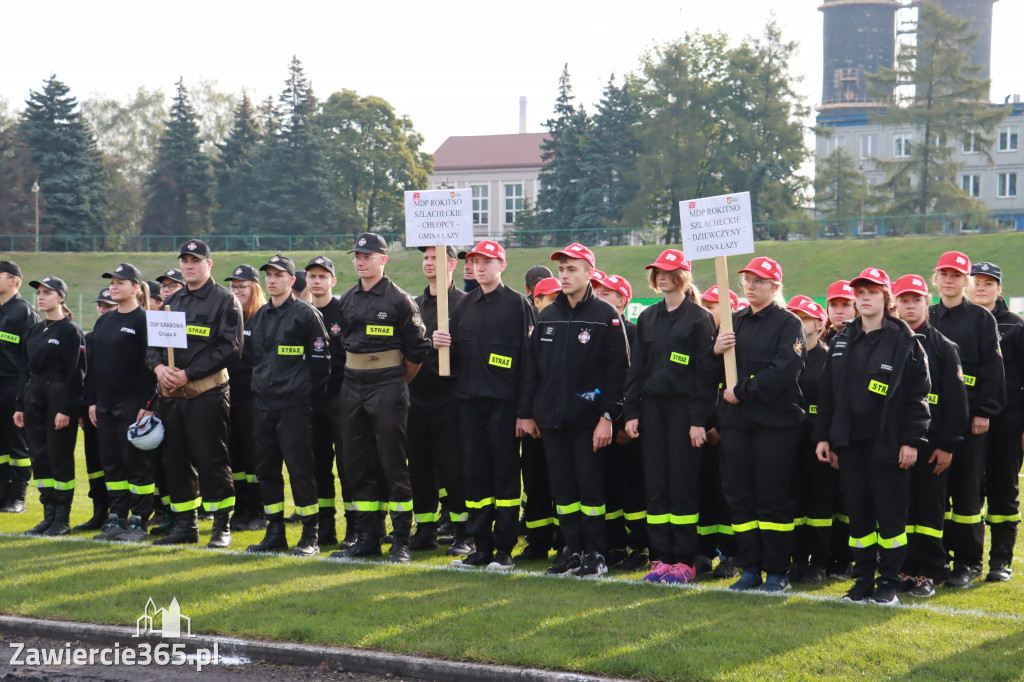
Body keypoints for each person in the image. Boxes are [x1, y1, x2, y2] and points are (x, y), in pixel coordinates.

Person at [814, 267, 931, 605]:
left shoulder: (906, 341)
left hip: (889, 446)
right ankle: (862, 580)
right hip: (850, 445)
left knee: (891, 516)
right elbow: (827, 395)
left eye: (872, 292)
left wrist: (911, 441)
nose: (864, 298)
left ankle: (889, 583)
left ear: (885, 298)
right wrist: (824, 436)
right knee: (859, 515)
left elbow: (917, 397)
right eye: (860, 292)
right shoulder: (841, 340)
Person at [523, 243, 629, 578]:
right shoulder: (548, 315)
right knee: (564, 492)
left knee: (591, 490)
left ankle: (596, 554)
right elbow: (532, 369)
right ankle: (571, 551)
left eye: (572, 269)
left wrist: (607, 417)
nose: (564, 276)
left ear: (589, 273)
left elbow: (619, 372)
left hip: (589, 422)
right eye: (562, 270)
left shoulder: (605, 316)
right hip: (552, 421)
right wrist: (527, 412)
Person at [432, 240, 535, 571]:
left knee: (504, 476)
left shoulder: (519, 305)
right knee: (474, 475)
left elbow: (530, 365)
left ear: (501, 265)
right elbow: (457, 360)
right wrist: (440, 345)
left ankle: (504, 548)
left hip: (505, 406)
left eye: (486, 261)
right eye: (474, 261)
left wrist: (525, 411)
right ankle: (480, 546)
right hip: (469, 405)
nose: (479, 267)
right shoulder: (463, 306)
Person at [704, 256, 804, 593]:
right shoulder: (734, 322)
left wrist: (743, 392)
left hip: (774, 425)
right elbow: (710, 372)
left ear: (775, 286)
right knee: (740, 496)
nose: (750, 285)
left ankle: (777, 571)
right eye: (747, 279)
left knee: (772, 497)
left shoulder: (789, 323)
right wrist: (714, 350)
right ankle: (750, 568)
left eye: (759, 280)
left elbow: (784, 370)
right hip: (736, 426)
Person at [331, 232, 430, 564]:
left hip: (388, 384)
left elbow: (417, 349)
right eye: (357, 257)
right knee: (357, 464)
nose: (360, 261)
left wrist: (396, 383)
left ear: (383, 259)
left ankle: (400, 540)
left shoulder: (400, 300)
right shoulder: (347, 299)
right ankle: (367, 538)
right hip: (353, 384)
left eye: (367, 256)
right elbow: (339, 344)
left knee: (392, 463)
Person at [624, 249, 715, 584]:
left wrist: (697, 420)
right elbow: (637, 369)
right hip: (652, 409)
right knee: (657, 483)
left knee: (682, 484)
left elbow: (705, 376)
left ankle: (685, 561)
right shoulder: (647, 317)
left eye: (667, 271)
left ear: (683, 275)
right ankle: (661, 558)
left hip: (684, 411)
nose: (660, 276)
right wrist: (631, 411)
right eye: (656, 271)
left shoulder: (698, 318)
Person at [145, 239, 242, 548]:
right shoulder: (173, 301)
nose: (188, 265)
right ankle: (186, 525)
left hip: (207, 394)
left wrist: (188, 373)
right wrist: (159, 369)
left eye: (195, 260)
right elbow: (153, 348)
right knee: (175, 462)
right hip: (172, 397)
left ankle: (221, 526)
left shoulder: (225, 301)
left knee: (212, 459)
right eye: (184, 260)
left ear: (208, 264)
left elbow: (230, 348)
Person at [245, 255, 330, 556]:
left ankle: (310, 533)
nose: (271, 280)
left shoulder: (306, 315)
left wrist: (305, 394)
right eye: (268, 274)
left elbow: (322, 364)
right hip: (264, 406)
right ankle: (275, 532)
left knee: (300, 470)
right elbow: (253, 359)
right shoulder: (259, 316)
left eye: (279, 275)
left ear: (292, 281)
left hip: (295, 407)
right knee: (266, 471)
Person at [930, 251, 1005, 588]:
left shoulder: (980, 318)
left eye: (956, 275)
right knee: (934, 491)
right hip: (932, 418)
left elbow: (992, 367)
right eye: (944, 274)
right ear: (935, 279)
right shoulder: (926, 314)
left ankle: (968, 562)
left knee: (967, 493)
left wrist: (984, 411)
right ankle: (937, 558)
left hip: (970, 416)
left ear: (966, 281)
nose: (949, 280)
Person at [894, 273, 969, 597]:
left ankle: (929, 572)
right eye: (904, 300)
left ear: (928, 302)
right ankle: (904, 569)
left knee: (929, 510)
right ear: (895, 304)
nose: (910, 306)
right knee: (900, 509)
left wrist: (949, 445)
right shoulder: (888, 341)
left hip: (933, 445)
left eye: (916, 300)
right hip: (895, 445)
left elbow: (956, 402)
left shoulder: (943, 347)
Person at [408, 246, 470, 556]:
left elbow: (475, 355)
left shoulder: (464, 304)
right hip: (417, 400)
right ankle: (426, 529)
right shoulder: (415, 305)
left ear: (451, 265)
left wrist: (451, 347)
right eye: (426, 258)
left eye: (435, 258)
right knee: (419, 469)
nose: (429, 263)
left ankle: (464, 532)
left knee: (454, 468)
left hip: (451, 399)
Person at [87, 264, 156, 542]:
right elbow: (94, 365)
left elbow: (153, 365)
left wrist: (148, 403)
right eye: (112, 282)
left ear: (137, 288)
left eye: (121, 282)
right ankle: (117, 518)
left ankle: (139, 522)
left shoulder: (144, 320)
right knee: (112, 463)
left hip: (133, 404)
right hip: (104, 404)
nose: (114, 287)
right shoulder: (105, 320)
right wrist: (92, 401)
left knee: (136, 462)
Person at [967, 262, 1024, 582]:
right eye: (976, 282)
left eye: (989, 283)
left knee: (1003, 488)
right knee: (967, 491)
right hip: (964, 420)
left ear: (999, 289)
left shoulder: (1016, 326)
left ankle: (1000, 561)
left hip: (1006, 421)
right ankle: (966, 559)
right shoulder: (958, 322)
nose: (982, 288)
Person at [15, 276, 85, 536]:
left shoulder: (70, 330)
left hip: (58, 395)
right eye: (39, 293)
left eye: (47, 292)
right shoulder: (34, 330)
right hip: (34, 395)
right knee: (40, 456)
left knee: (59, 457)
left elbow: (76, 373)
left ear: (61, 297)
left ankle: (62, 520)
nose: (40, 297)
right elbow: (25, 368)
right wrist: (20, 405)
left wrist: (67, 409)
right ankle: (48, 516)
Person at [593, 272, 649, 571]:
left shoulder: (634, 332)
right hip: (598, 426)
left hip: (625, 428)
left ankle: (640, 546)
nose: (599, 298)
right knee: (607, 489)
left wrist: (627, 419)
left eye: (606, 294)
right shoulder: (594, 330)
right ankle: (614, 544)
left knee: (631, 489)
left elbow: (634, 381)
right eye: (597, 293)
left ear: (622, 300)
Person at [786, 295, 835, 584]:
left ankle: (818, 561)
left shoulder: (830, 358)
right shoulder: (786, 356)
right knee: (793, 499)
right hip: (790, 436)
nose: (799, 325)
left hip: (819, 438)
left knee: (820, 501)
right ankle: (795, 558)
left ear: (819, 323)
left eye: (804, 318)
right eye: (794, 318)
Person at [516, 275, 562, 562]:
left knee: (563, 486)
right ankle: (536, 543)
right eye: (552, 299)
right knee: (535, 485)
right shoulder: (530, 333)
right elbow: (526, 380)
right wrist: (526, 415)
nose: (558, 304)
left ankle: (564, 542)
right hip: (536, 423)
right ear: (537, 301)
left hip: (561, 422)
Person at [305, 256, 349, 549]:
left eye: (323, 276)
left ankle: (356, 528)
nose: (317, 281)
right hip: (310, 402)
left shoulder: (343, 311)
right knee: (318, 467)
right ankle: (326, 527)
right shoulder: (300, 313)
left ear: (333, 281)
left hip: (342, 400)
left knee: (349, 467)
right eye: (312, 276)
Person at [223, 264, 267, 532]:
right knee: (235, 457)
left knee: (256, 458)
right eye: (234, 286)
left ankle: (258, 510)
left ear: (255, 288)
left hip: (255, 398)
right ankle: (241, 509)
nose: (237, 291)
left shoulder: (262, 317)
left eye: (243, 286)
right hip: (229, 395)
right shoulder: (228, 317)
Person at [73, 287, 116, 532]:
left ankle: (120, 513)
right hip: (92, 410)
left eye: (107, 306)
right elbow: (85, 377)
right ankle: (99, 512)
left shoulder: (121, 335)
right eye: (100, 305)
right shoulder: (90, 338)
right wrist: (85, 406)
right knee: (94, 463)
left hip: (116, 407)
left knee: (116, 463)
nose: (102, 310)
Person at [0, 260, 39, 514]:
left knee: (17, 444)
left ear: (13, 280)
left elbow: (31, 357)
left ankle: (18, 497)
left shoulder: (24, 312)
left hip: (13, 385)